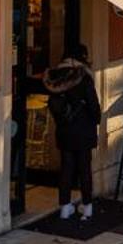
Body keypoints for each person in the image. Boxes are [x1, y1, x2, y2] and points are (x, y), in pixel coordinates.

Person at [42, 45, 101, 221]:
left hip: (64, 130)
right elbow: (94, 107)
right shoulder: (83, 77)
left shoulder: (55, 78)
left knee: (66, 169)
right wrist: (95, 119)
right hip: (83, 130)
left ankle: (65, 207)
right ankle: (88, 206)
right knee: (84, 168)